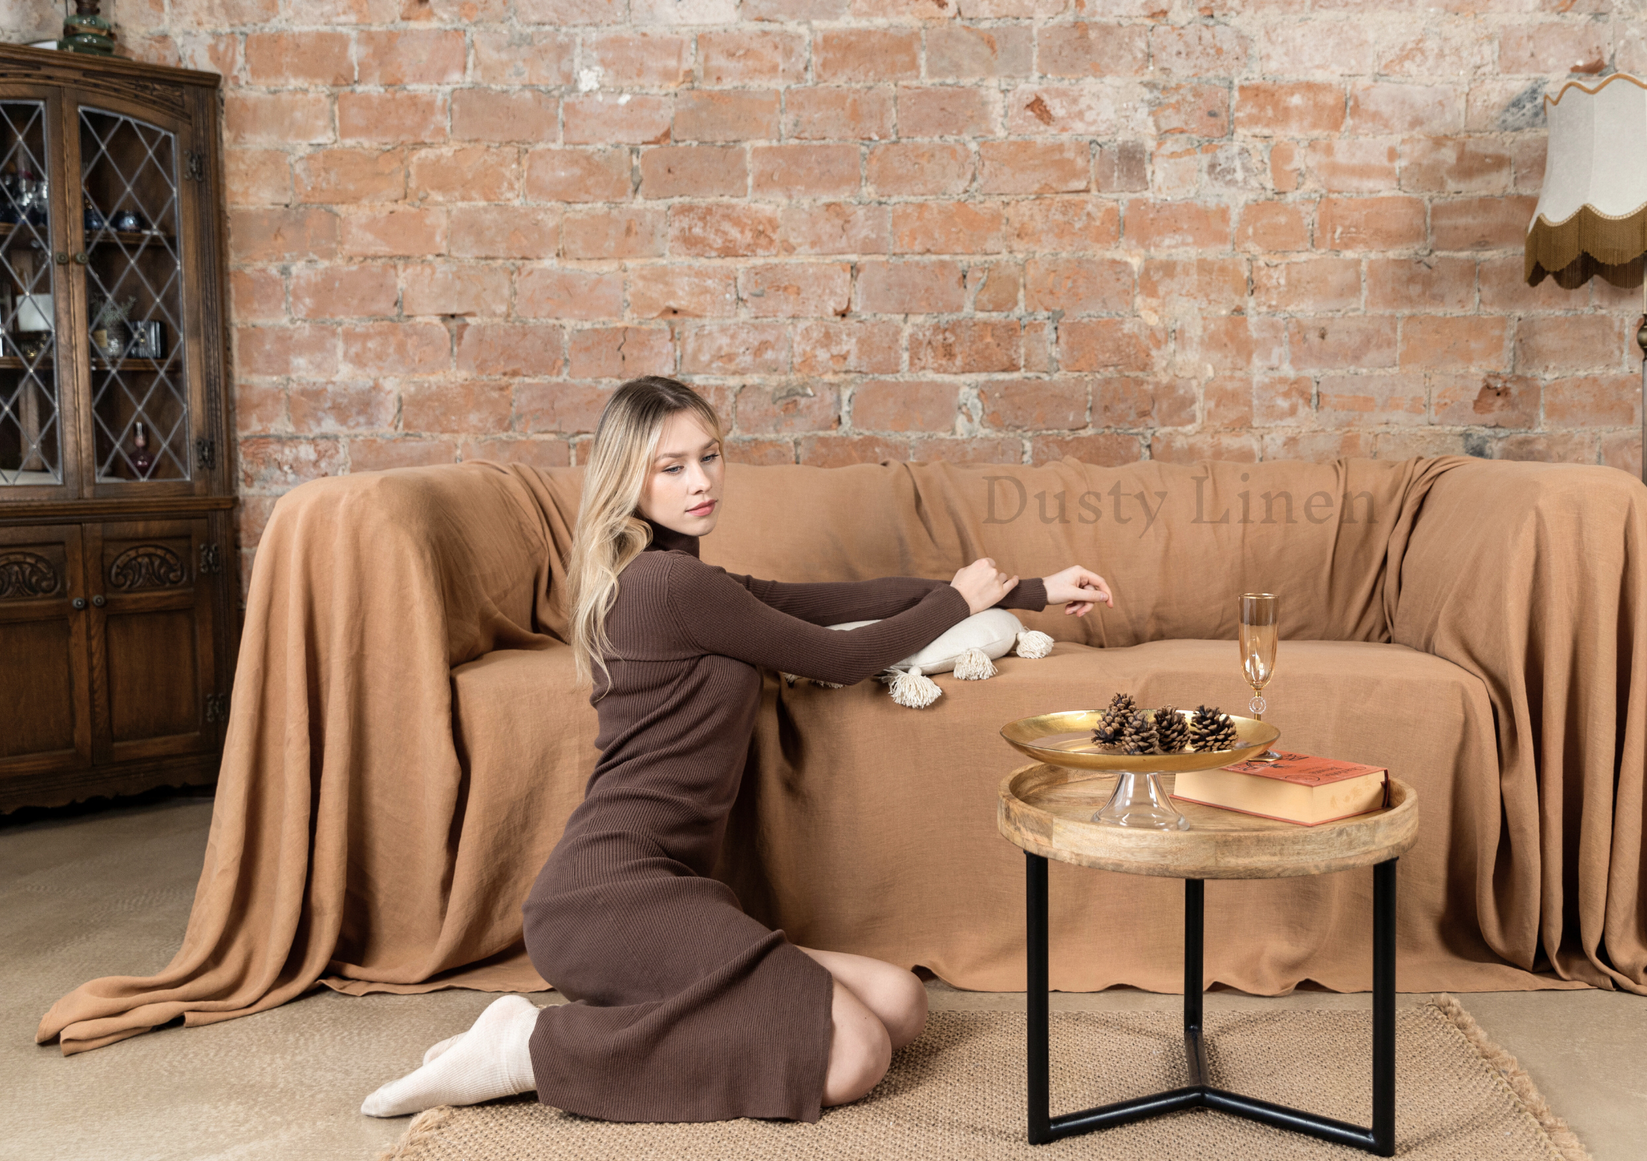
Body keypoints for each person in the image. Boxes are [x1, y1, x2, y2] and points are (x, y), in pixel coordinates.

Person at [362, 375, 1111, 1122]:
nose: (701, 482)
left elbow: (828, 602)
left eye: (710, 457)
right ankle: (533, 1047)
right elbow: (839, 656)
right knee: (856, 1057)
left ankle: (576, 1030)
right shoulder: (666, 586)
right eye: (672, 466)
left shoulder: (685, 579)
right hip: (610, 896)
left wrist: (1028, 591)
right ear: (628, 478)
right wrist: (958, 603)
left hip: (659, 889)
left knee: (900, 1003)